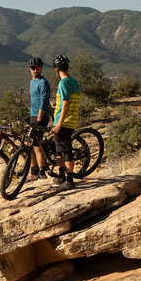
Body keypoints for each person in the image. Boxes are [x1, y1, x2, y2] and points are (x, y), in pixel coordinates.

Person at [49, 54, 81, 191]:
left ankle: (69, 180)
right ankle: (62, 176)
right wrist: (57, 105)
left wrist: (58, 125)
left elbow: (67, 105)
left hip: (64, 122)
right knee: (57, 149)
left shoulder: (63, 83)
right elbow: (67, 103)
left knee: (66, 151)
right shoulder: (74, 81)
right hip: (71, 120)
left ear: (56, 69)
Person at [26, 58, 50, 180]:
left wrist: (39, 118)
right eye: (33, 68)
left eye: (38, 68)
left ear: (41, 68)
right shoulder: (32, 82)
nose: (35, 70)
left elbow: (43, 101)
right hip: (33, 115)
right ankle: (33, 171)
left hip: (41, 115)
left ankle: (41, 172)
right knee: (29, 143)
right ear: (29, 69)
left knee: (36, 144)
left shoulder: (43, 82)